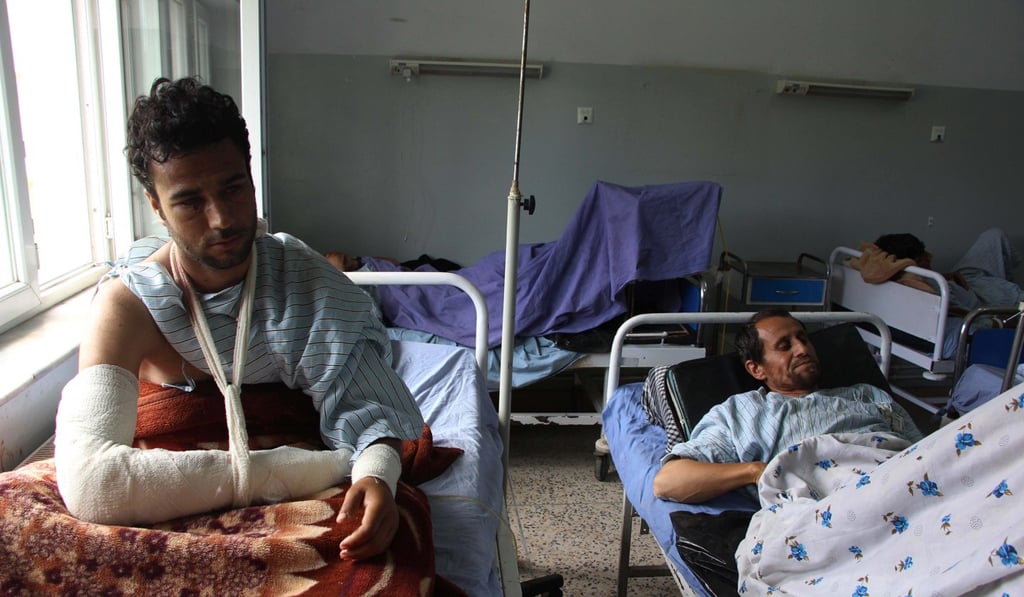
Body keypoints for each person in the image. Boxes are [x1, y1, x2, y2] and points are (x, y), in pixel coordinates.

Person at [53, 77, 424, 561]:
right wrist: (305, 470)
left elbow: (368, 409)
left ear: (251, 178)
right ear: (155, 205)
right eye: (189, 202)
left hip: (274, 477)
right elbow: (93, 485)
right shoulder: (128, 305)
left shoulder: (310, 285)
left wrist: (375, 475)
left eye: (233, 188)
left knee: (379, 551)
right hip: (300, 469)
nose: (221, 219)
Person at [652, 309, 924, 504]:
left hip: (908, 486)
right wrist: (756, 471)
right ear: (756, 368)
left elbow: (930, 451)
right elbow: (669, 481)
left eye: (803, 339)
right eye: (785, 346)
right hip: (837, 503)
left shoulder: (868, 396)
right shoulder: (743, 413)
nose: (802, 349)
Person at [874, 227, 1024, 312]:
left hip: (963, 281)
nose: (930, 256)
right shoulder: (931, 294)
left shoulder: (897, 275)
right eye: (924, 255)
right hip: (983, 299)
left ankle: (1001, 276)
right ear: (916, 262)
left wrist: (944, 277)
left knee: (993, 236)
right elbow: (972, 317)